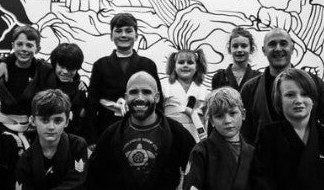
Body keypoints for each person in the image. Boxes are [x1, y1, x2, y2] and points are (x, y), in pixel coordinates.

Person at [240, 28, 324, 142]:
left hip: (307, 150)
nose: (278, 48)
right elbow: (244, 133)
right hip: (264, 151)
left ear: (292, 48)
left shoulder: (313, 83)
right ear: (264, 50)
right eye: (272, 44)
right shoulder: (249, 89)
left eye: (283, 43)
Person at [86, 13, 161, 143]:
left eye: (128, 31)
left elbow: (158, 101)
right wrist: (91, 139)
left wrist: (159, 131)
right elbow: (92, 103)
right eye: (118, 31)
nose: (123, 35)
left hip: (142, 128)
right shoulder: (100, 65)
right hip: (107, 130)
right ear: (111, 36)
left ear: (136, 35)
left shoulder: (148, 65)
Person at [0, 24, 55, 147]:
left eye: (29, 45)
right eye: (20, 44)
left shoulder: (44, 72)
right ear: (13, 45)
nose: (24, 49)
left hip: (34, 133)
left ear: (37, 49)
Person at [161, 48, 210, 142]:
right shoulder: (165, 88)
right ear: (174, 66)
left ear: (197, 67)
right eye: (181, 62)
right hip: (171, 137)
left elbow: (207, 120)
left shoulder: (204, 91)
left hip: (196, 138)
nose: (185, 65)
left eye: (190, 62)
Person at [46, 43, 90, 141]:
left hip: (69, 139)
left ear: (77, 68)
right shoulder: (43, 78)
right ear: (54, 64)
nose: (65, 71)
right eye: (61, 66)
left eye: (70, 68)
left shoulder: (81, 90)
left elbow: (80, 123)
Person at [211, 27, 260, 92]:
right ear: (229, 49)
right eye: (235, 46)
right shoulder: (219, 77)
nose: (239, 50)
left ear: (251, 49)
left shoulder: (259, 78)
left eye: (244, 46)